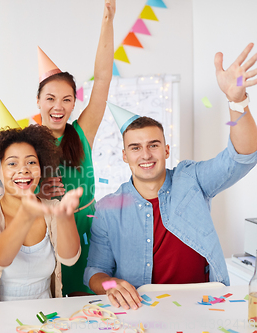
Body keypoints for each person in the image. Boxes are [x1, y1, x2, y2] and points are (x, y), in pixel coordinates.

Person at [85, 43, 257, 310]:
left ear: (166, 150)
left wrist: (237, 100)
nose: (145, 154)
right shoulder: (107, 208)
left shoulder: (193, 179)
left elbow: (242, 156)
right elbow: (95, 272)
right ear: (124, 155)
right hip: (142, 311)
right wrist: (111, 284)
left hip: (206, 306)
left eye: (153, 145)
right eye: (135, 147)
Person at [35, 0, 115, 296]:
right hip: (45, 237)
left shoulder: (82, 133)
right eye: (51, 98)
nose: (59, 106)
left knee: (90, 309)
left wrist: (107, 22)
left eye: (67, 99)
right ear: (39, 101)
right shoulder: (26, 145)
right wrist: (40, 195)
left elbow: (103, 79)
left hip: (89, 234)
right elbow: (9, 195)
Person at [0, 125, 82, 303]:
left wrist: (65, 217)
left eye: (31, 162)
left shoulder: (52, 207)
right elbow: (0, 259)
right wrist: (26, 213)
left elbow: (69, 259)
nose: (24, 170)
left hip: (45, 317)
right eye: (12, 163)